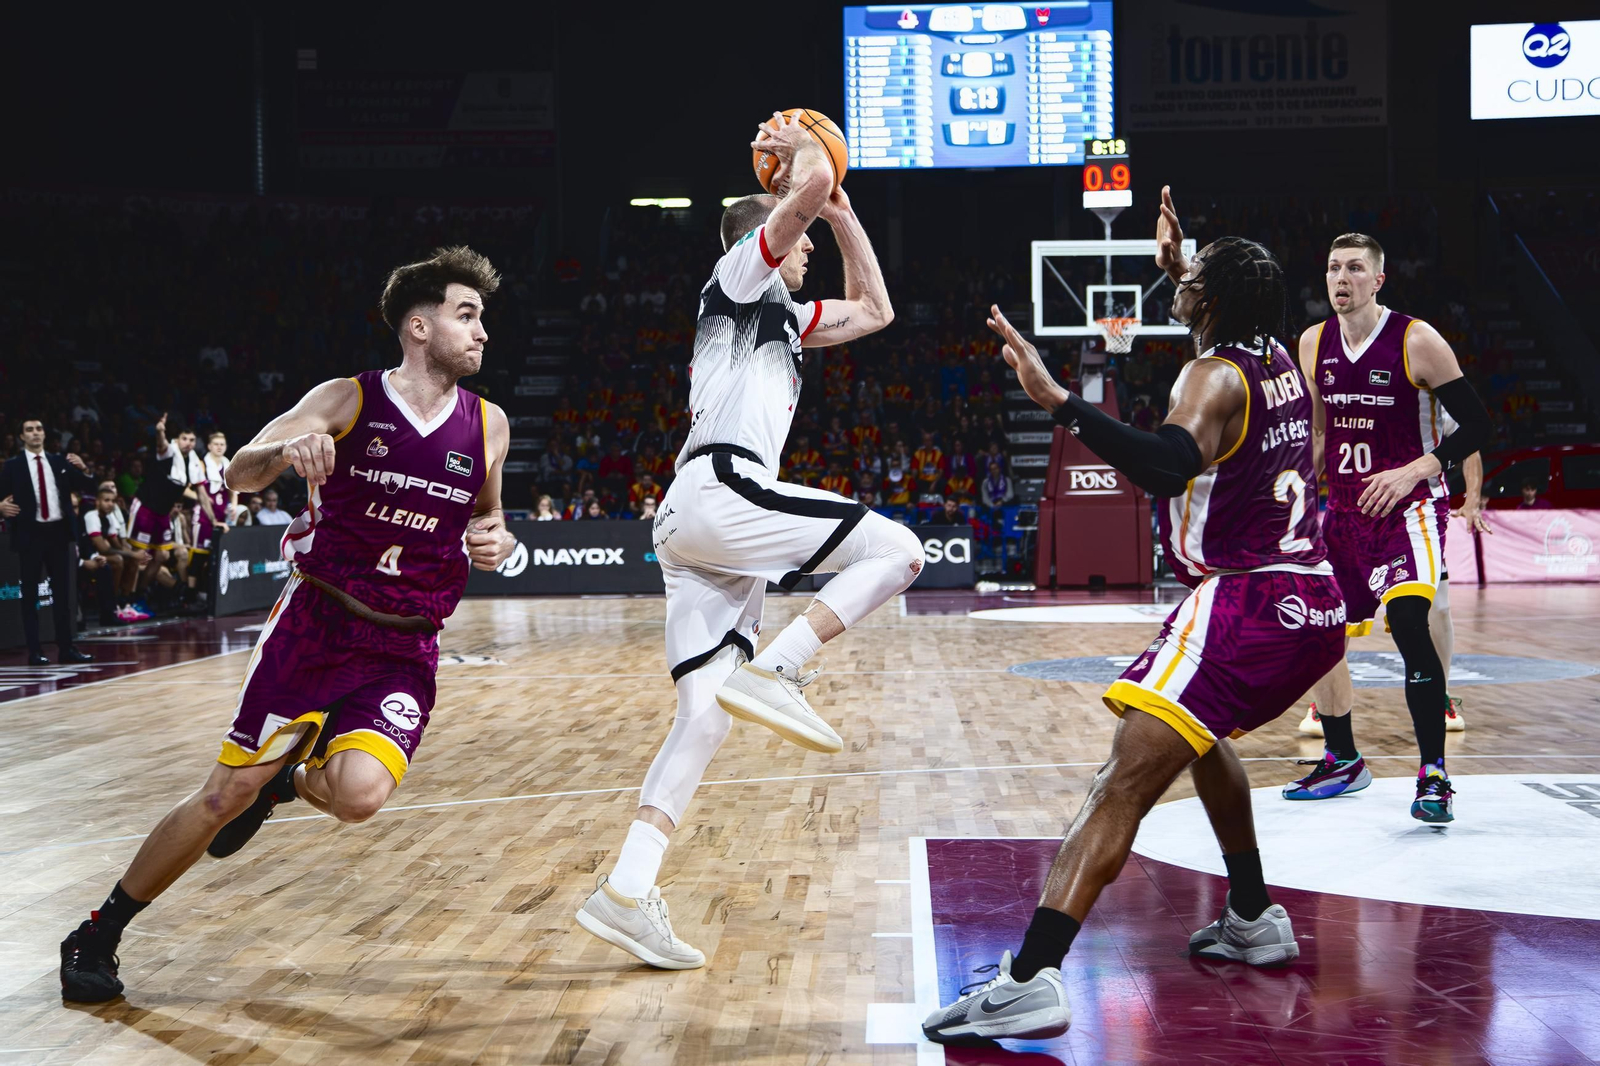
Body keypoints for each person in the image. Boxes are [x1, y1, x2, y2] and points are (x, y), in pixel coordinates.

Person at [924, 188, 1345, 1043]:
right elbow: (1220, 370)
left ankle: (1031, 978)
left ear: (1215, 305)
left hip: (1245, 599)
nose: (1178, 286)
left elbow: (1164, 465)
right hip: (1315, 602)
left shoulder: (1211, 375)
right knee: (1204, 734)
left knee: (1121, 780)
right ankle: (1255, 915)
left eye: (1192, 282)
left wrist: (1061, 403)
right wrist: (1178, 266)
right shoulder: (1279, 364)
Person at [58, 245, 517, 1003]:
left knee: (360, 797)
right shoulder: (347, 399)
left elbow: (489, 516)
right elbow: (240, 471)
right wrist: (285, 448)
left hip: (405, 645)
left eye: (481, 318)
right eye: (466, 315)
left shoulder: (489, 425)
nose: (482, 333)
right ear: (418, 326)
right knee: (220, 798)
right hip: (317, 626)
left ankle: (289, 786)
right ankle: (99, 931)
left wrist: (500, 539)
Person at [576, 112, 920, 971]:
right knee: (899, 552)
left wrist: (840, 211)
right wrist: (808, 158)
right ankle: (785, 665)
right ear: (762, 237)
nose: (805, 252)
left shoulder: (786, 321)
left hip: (694, 525)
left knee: (702, 719)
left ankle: (627, 888)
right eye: (799, 241)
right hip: (721, 488)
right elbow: (798, 193)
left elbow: (878, 309)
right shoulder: (735, 278)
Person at [1283, 232, 1490, 823]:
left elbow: (1477, 426)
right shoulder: (1312, 342)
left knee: (1408, 625)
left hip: (1409, 512)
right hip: (1341, 515)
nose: (1340, 278)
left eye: (1353, 268)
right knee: (1321, 635)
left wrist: (1415, 471)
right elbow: (1317, 433)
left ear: (1378, 279)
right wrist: (1295, 496)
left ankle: (1433, 776)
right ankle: (1343, 759)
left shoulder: (1416, 340)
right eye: (1331, 268)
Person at [1299, 451, 1487, 737]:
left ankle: (1441, 696)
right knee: (1337, 613)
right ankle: (1324, 703)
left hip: (1414, 516)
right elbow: (1320, 436)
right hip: (1353, 516)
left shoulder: (1433, 409)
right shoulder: (1342, 407)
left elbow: (1470, 445)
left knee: (1438, 608)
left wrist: (1472, 500)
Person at [0, 418, 97, 664]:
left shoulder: (58, 462)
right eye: (29, 430)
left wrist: (85, 469)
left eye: (39, 429)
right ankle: (35, 651)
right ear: (22, 436)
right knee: (30, 595)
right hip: (30, 534)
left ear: (44, 434)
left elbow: (89, 486)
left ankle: (66, 649)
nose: (35, 433)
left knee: (62, 595)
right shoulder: (12, 466)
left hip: (57, 533)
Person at [81, 483, 151, 623]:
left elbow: (117, 545)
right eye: (106, 500)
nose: (110, 504)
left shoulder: (110, 517)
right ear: (98, 502)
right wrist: (132, 554)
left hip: (102, 555)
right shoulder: (91, 516)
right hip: (87, 556)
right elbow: (103, 548)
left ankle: (125, 603)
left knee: (130, 560)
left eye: (113, 501)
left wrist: (137, 555)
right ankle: (113, 605)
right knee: (118, 560)